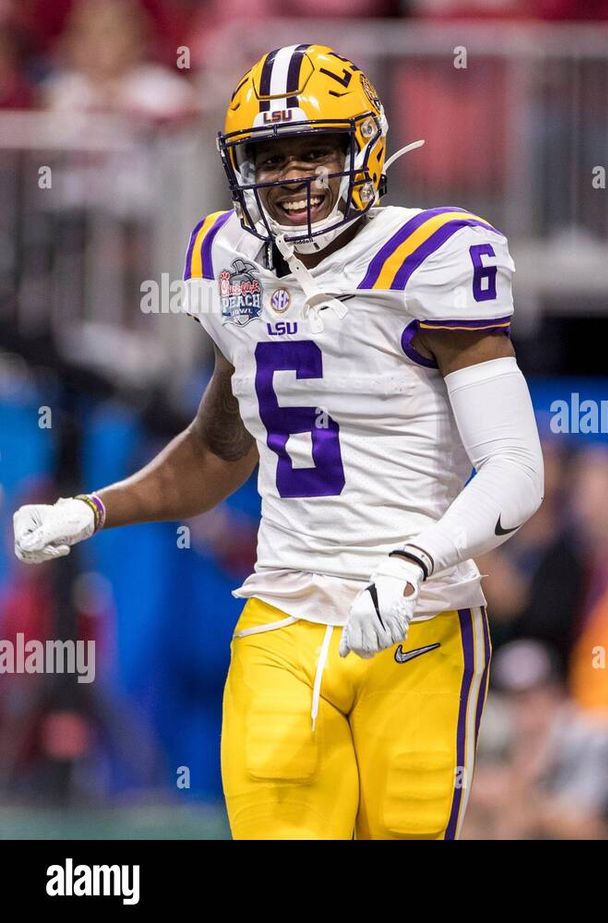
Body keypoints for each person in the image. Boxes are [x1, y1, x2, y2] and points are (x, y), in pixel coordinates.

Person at [12, 44, 544, 839]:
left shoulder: (432, 257)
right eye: (272, 157)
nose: (292, 175)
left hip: (418, 618)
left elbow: (516, 469)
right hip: (282, 610)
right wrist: (94, 511)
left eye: (315, 152)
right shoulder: (225, 257)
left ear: (362, 150)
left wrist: (413, 562)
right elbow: (220, 449)